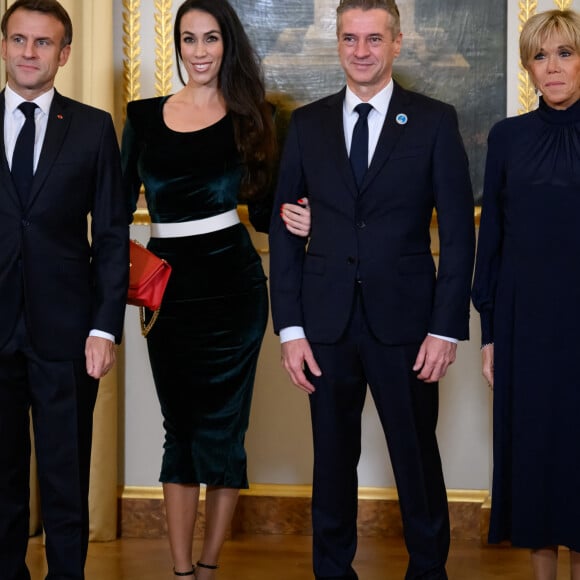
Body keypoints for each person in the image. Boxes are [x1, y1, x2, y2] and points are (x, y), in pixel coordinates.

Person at [269, 0, 475, 578]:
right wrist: (290, 329)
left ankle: (428, 571)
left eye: (374, 39)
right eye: (350, 38)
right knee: (332, 463)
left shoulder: (434, 121)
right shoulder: (306, 125)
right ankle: (332, 571)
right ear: (337, 43)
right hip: (325, 325)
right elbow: (285, 229)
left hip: (408, 326)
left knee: (416, 460)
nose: (361, 51)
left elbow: (458, 236)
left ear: (397, 43)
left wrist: (444, 327)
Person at [121, 0, 280, 577]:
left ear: (227, 44)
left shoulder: (254, 117)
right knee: (180, 427)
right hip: (167, 293)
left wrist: (306, 217)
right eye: (189, 39)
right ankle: (181, 570)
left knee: (226, 429)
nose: (200, 51)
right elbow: (114, 217)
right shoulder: (140, 119)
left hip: (234, 290)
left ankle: (210, 567)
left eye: (211, 38)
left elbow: (265, 213)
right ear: (178, 47)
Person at [0, 0, 129, 578]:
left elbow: (110, 235)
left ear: (64, 53)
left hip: (69, 332)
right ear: (4, 46)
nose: (30, 52)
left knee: (65, 471)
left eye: (43, 43)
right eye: (19, 40)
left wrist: (104, 326)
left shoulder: (93, 127)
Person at [472, 9, 580, 580]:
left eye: (565, 52)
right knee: (536, 459)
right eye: (541, 56)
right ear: (528, 68)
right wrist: (490, 334)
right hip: (525, 326)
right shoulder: (508, 137)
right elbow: (492, 240)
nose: (553, 67)